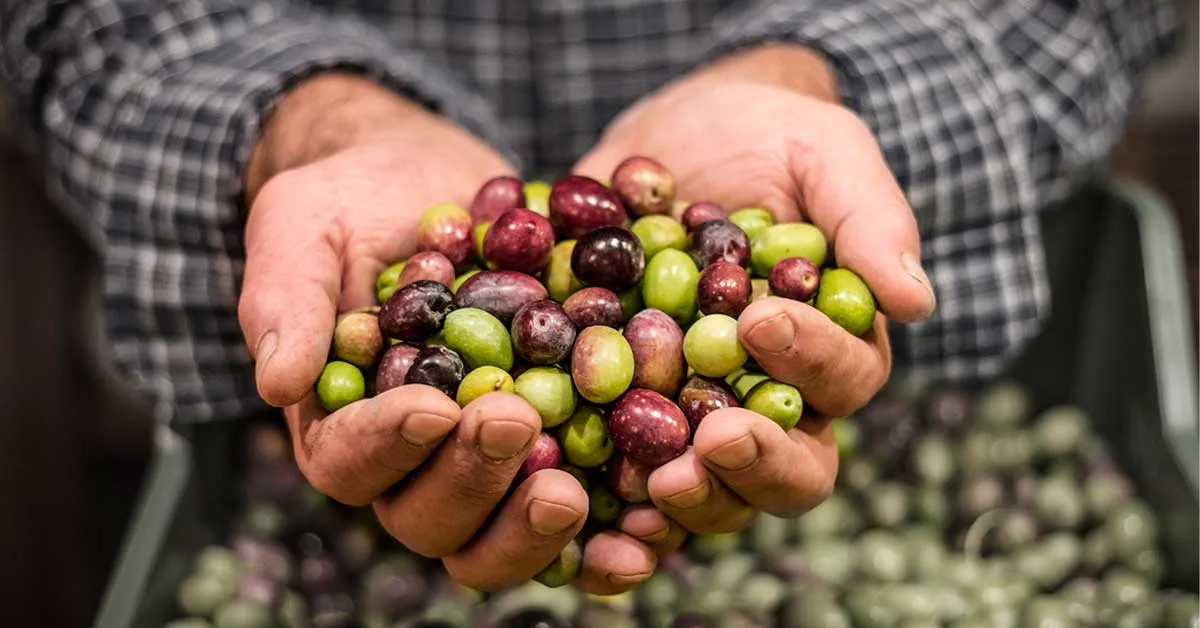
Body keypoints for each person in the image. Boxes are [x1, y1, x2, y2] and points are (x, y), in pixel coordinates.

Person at [1, 0, 1178, 595]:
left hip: (917, 239)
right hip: (222, 298)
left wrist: (823, 78)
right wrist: (302, 123)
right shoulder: (522, 300)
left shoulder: (690, 290)